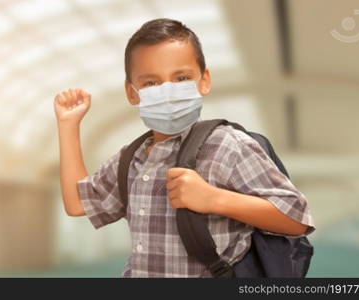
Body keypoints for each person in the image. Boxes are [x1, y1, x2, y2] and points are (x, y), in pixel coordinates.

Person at [53, 18, 314, 277]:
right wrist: (68, 126)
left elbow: (296, 218)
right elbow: (78, 204)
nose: (167, 91)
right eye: (150, 83)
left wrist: (214, 199)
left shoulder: (227, 145)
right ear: (132, 93)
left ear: (204, 80)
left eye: (182, 77)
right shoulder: (131, 159)